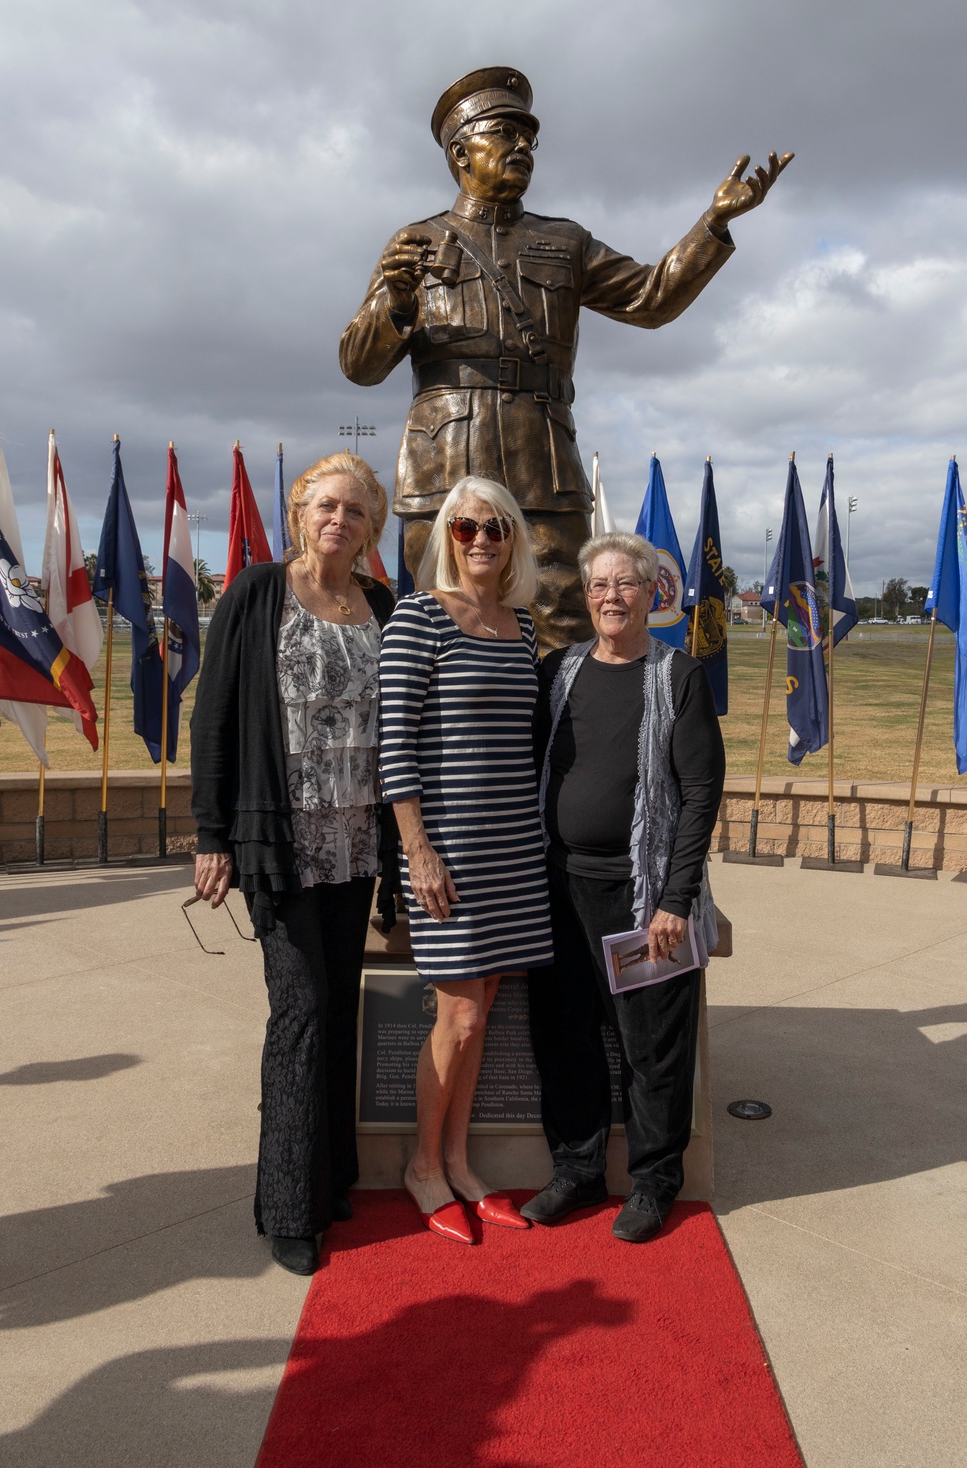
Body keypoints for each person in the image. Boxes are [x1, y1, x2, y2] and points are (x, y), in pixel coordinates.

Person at [340, 65, 792, 651]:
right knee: (443, 626)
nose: (522, 146)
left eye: (529, 137)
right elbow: (359, 363)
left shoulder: (566, 241)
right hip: (443, 462)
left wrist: (714, 224)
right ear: (460, 150)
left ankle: (567, 743)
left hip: (542, 458)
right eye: (505, 131)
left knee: (563, 626)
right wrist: (396, 301)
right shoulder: (416, 242)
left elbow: (651, 298)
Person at [190, 453, 394, 1276]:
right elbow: (215, 718)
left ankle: (332, 1174)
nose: (338, 520)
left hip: (356, 842)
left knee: (339, 1008)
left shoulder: (380, 602)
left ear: (370, 526)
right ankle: (288, 1204)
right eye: (325, 506)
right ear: (301, 512)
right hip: (282, 842)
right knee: (301, 1013)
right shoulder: (256, 593)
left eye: (354, 510)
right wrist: (211, 836)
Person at [522, 531, 726, 1242]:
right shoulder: (562, 669)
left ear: (650, 592)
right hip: (559, 890)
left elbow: (700, 793)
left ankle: (653, 1182)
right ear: (587, 595)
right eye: (599, 586)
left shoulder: (679, 677)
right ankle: (576, 1172)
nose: (612, 597)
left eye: (625, 584)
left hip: (643, 900)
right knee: (566, 1038)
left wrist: (675, 898)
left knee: (651, 1049)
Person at [378, 476, 550, 1244]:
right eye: (466, 528)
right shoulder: (420, 618)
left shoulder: (523, 627)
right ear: (445, 536)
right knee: (462, 1011)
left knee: (483, 1018)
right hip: (448, 853)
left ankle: (459, 1160)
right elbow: (396, 745)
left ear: (514, 540)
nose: (482, 540)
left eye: (497, 528)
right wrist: (416, 850)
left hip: (514, 849)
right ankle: (422, 1165)